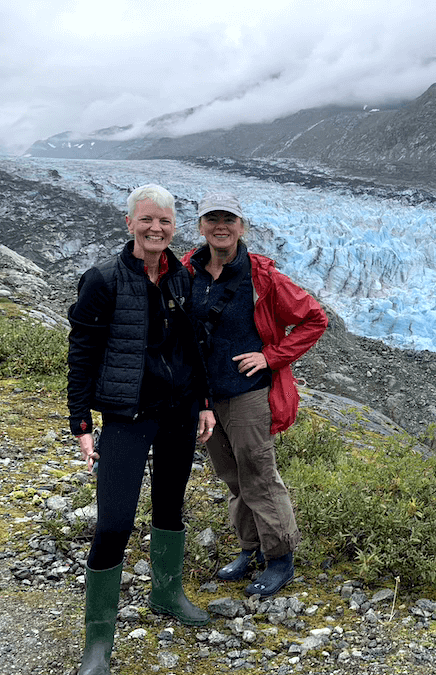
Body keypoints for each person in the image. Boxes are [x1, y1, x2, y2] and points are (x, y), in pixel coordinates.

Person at [67, 184, 217, 675]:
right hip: (127, 418)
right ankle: (98, 644)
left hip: (177, 412)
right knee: (113, 524)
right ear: (129, 223)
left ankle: (166, 593)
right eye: (147, 220)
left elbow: (194, 345)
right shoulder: (104, 279)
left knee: (171, 507)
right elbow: (82, 355)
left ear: (175, 227)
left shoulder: (182, 276)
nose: (157, 229)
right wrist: (82, 423)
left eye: (166, 221)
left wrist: (204, 403)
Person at [182, 191, 328, 598]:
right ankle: (250, 549)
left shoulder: (261, 277)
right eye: (212, 218)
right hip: (205, 398)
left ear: (241, 226)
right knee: (232, 476)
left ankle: (280, 557)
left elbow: (315, 319)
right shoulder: (187, 272)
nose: (220, 226)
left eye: (228, 219)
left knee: (258, 474)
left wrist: (270, 356)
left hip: (247, 393)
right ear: (201, 227)